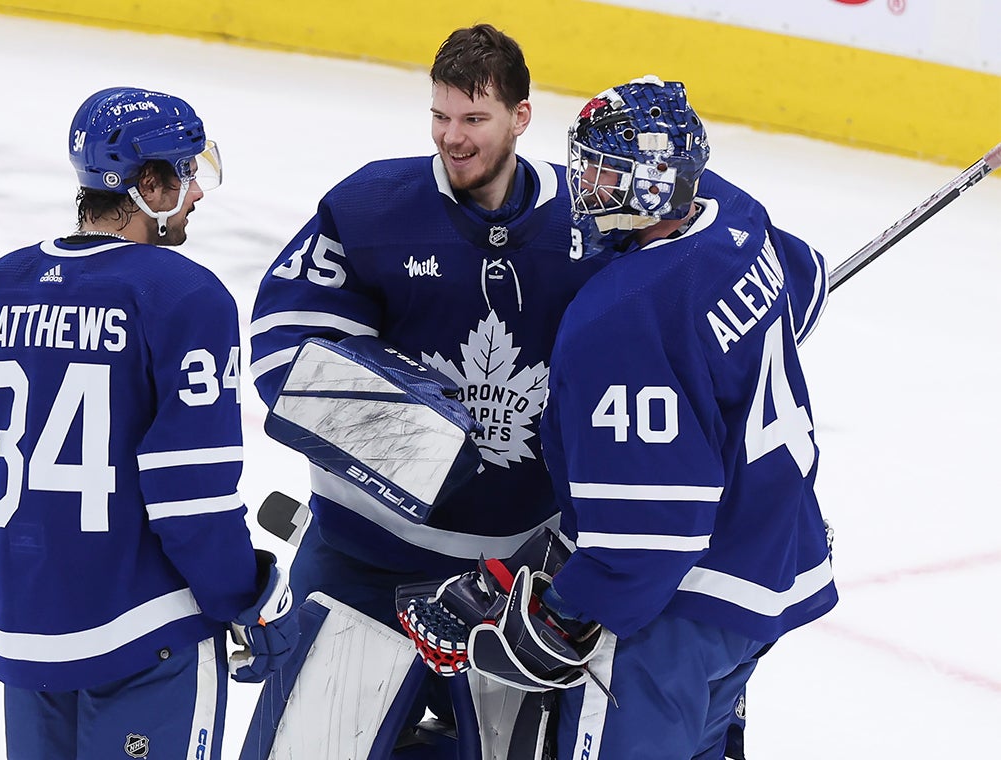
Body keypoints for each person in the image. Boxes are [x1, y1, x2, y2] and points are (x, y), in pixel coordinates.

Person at [244, 23, 608, 757]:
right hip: (360, 564)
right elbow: (280, 349)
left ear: (521, 117)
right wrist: (418, 445)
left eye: (474, 119)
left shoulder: (589, 222)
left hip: (512, 584)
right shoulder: (374, 207)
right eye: (440, 116)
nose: (452, 137)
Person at [0, 87, 297, 760]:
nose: (198, 192)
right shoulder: (187, 297)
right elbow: (192, 498)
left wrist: (52, 576)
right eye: (187, 173)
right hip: (146, 639)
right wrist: (247, 597)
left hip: (24, 636)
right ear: (149, 184)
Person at [530, 76, 839, 759]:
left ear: (655, 182)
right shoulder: (736, 213)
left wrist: (564, 610)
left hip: (677, 610)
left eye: (607, 171)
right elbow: (807, 288)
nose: (586, 185)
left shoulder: (619, 319)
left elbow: (650, 538)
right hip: (767, 568)